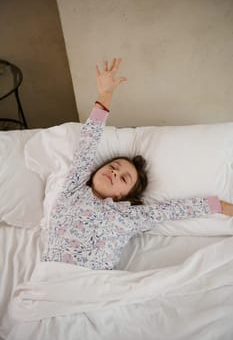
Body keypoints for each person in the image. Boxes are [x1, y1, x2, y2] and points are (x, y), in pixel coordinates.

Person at [41, 57, 233, 270]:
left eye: (123, 178)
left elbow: (176, 210)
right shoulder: (73, 189)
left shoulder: (128, 216)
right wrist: (105, 94)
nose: (114, 173)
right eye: (113, 167)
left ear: (123, 196)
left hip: (92, 284)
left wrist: (223, 206)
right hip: (52, 278)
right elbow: (87, 142)